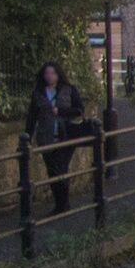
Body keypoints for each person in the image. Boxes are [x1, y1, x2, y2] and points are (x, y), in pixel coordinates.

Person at [27, 61, 90, 207]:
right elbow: (32, 117)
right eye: (47, 73)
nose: (49, 76)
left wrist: (60, 111)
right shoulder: (38, 94)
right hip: (46, 137)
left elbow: (79, 110)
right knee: (52, 171)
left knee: (60, 168)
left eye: (52, 73)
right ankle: (60, 204)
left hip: (65, 136)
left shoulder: (68, 90)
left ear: (58, 74)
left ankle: (64, 203)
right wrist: (27, 138)